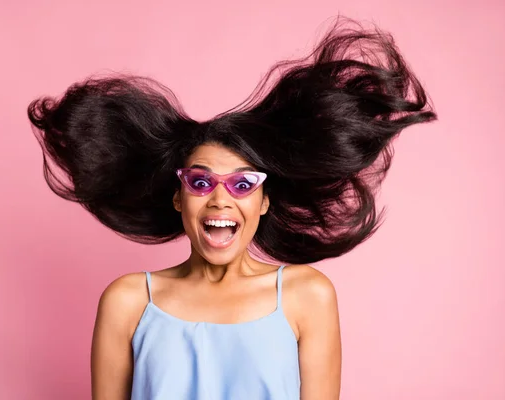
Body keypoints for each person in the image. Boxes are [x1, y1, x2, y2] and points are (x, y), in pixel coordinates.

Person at [27, 16, 436, 400]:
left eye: (242, 185)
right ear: (178, 197)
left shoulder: (305, 296)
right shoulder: (129, 301)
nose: (220, 199)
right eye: (200, 182)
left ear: (264, 202)